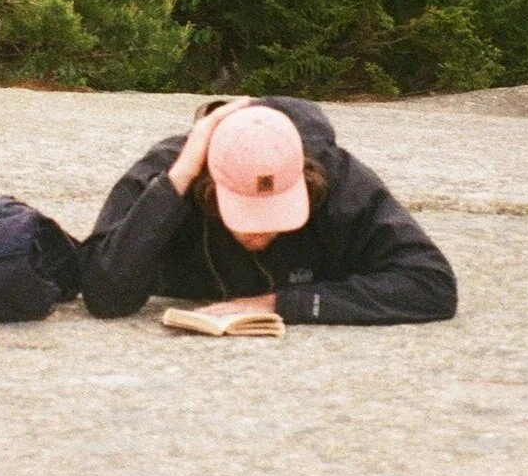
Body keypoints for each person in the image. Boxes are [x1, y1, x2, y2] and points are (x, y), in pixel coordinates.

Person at [78, 96, 457, 325]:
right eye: (244, 213)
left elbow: (431, 284)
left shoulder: (339, 179)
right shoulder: (172, 171)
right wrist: (175, 182)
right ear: (208, 186)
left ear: (305, 181)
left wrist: (281, 304)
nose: (259, 231)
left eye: (276, 213)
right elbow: (104, 293)